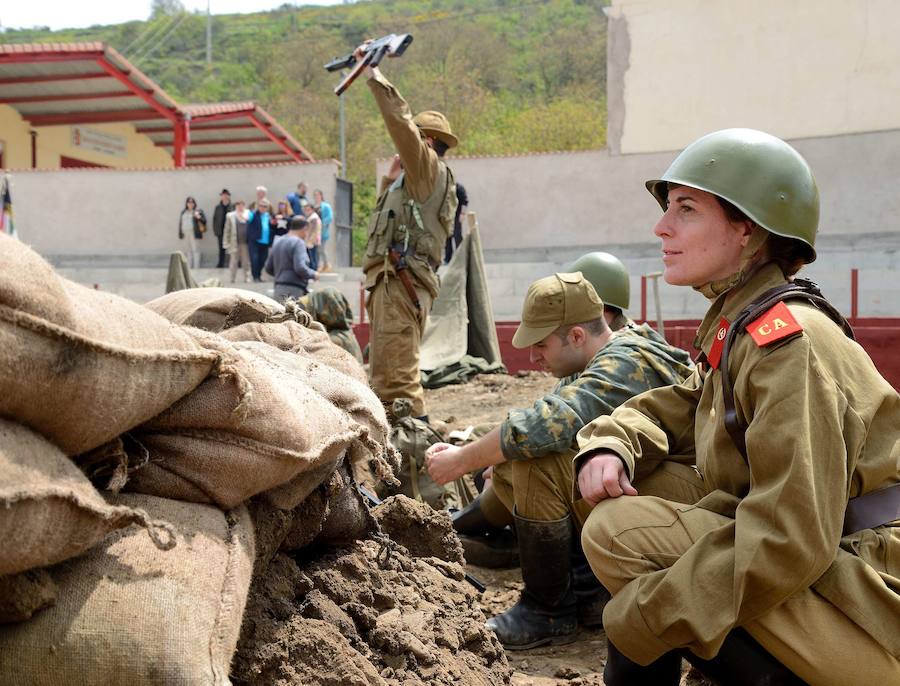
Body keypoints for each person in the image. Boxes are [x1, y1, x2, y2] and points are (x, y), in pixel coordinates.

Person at [574, 129, 900, 685]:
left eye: (687, 209)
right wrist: (612, 441)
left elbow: (790, 538)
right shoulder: (744, 325)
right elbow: (683, 405)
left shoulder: (788, 345)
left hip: (871, 591)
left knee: (621, 542)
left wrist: (642, 620)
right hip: (826, 547)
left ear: (745, 230)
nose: (662, 227)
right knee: (621, 496)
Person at [425, 266, 694, 650]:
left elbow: (544, 426)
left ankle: (548, 610)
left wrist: (460, 460)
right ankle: (482, 534)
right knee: (511, 460)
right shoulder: (591, 359)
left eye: (541, 345)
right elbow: (536, 422)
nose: (534, 356)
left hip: (681, 510)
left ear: (577, 335)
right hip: (641, 492)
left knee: (538, 462)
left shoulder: (628, 362)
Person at [356, 40, 458, 421]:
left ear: (426, 142)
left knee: (395, 386)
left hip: (402, 283)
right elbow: (390, 226)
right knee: (384, 378)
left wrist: (374, 73)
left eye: (413, 142)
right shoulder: (414, 183)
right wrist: (388, 182)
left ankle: (412, 462)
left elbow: (399, 122)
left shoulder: (428, 167)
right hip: (395, 282)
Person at [264, 215, 318, 302]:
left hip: (278, 288)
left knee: (281, 315)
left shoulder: (278, 241)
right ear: (305, 228)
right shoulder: (298, 242)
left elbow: (268, 267)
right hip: (294, 290)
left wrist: (281, 274)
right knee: (293, 315)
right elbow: (300, 267)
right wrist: (314, 274)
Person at [246, 197, 273, 282]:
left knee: (263, 260)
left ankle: (258, 275)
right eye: (261, 206)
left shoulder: (268, 216)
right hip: (255, 241)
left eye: (265, 206)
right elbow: (246, 219)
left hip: (265, 242)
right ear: (258, 206)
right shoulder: (253, 214)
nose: (263, 208)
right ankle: (255, 277)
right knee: (254, 259)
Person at [223, 199, 250, 283]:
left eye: (241, 205)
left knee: (246, 262)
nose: (240, 207)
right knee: (234, 262)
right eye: (238, 205)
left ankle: (247, 277)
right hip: (234, 242)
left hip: (245, 243)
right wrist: (226, 243)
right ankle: (232, 278)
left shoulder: (248, 214)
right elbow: (227, 230)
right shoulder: (230, 215)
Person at [177, 196, 206, 269]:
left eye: (192, 202)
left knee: (196, 250)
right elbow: (181, 223)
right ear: (186, 204)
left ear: (194, 203)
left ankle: (196, 267)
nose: (190, 204)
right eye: (189, 202)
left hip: (194, 233)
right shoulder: (183, 212)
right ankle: (189, 267)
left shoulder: (198, 211)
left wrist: (198, 217)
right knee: (188, 250)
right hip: (185, 233)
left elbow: (204, 221)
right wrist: (180, 232)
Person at [444, 181, 468, 264]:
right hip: (447, 215)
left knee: (457, 235)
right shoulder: (445, 188)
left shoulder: (459, 188)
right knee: (447, 237)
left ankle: (460, 257)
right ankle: (447, 258)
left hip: (457, 215)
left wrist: (462, 214)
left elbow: (465, 202)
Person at [212, 188, 233, 268]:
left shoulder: (232, 207)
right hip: (220, 231)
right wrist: (215, 230)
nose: (224, 197)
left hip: (230, 231)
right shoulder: (218, 207)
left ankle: (231, 264)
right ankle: (221, 264)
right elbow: (214, 219)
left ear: (228, 196)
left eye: (226, 195)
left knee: (231, 249)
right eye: (223, 195)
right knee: (221, 249)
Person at [314, 189, 333, 273]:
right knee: (317, 250)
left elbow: (329, 217)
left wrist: (322, 223)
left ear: (321, 195)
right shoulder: (314, 206)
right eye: (315, 195)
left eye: (318, 195)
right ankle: (319, 265)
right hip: (315, 231)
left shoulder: (326, 206)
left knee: (322, 249)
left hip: (322, 230)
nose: (316, 197)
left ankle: (326, 264)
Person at [302, 199, 322, 271]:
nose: (306, 211)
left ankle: (313, 272)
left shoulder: (313, 218)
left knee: (312, 258)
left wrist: (308, 240)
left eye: (308, 209)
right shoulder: (312, 217)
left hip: (312, 241)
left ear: (312, 210)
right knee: (312, 257)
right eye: (305, 210)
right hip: (312, 240)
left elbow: (312, 230)